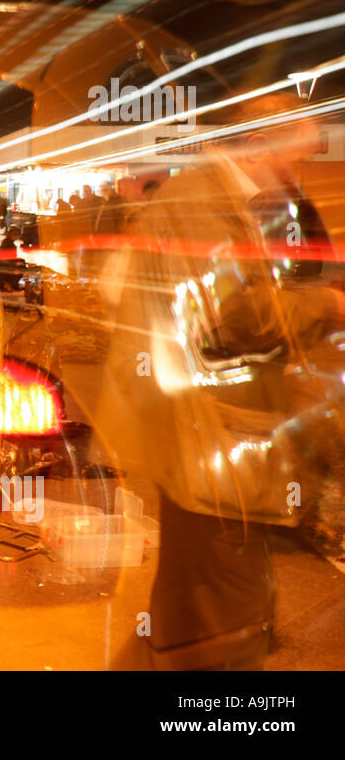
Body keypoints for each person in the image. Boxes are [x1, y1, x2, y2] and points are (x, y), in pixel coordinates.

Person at [96, 94, 345, 670]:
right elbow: (235, 318)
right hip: (202, 435)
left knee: (192, 600)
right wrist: (325, 306)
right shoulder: (203, 201)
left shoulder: (219, 200)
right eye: (295, 158)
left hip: (201, 431)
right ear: (258, 146)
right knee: (227, 609)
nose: (298, 173)